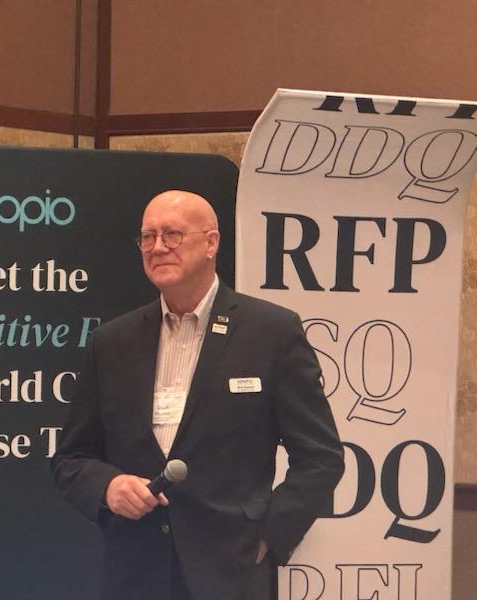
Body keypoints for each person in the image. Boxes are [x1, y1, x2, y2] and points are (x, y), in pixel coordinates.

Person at [52, 190, 344, 600]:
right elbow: (72, 457)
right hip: (134, 572)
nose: (157, 247)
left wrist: (268, 537)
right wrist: (109, 486)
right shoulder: (112, 342)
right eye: (148, 237)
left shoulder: (271, 333)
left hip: (231, 573)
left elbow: (321, 457)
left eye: (172, 234)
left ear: (211, 243)